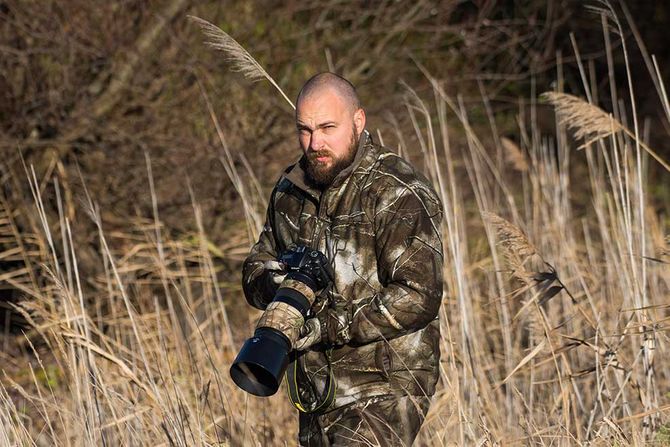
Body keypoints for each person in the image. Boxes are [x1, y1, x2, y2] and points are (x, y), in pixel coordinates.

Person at [242, 72, 444, 446]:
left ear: (358, 121)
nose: (315, 142)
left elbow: (419, 295)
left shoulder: (396, 191)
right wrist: (278, 284)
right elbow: (256, 265)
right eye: (304, 130)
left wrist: (327, 326)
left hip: (385, 382)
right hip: (316, 390)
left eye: (327, 127)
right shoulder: (290, 190)